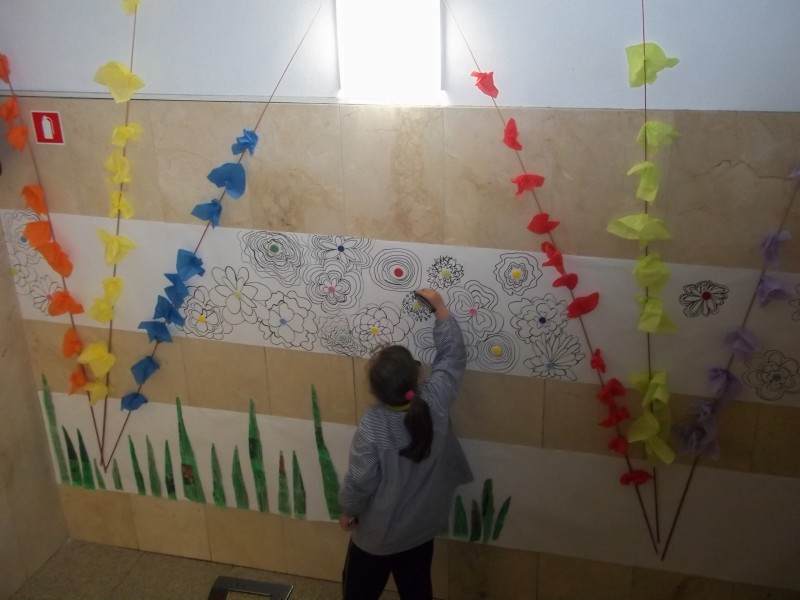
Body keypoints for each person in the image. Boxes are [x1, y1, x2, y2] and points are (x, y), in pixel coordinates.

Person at [338, 288, 473, 600]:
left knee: (359, 591)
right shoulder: (436, 399)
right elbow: (452, 357)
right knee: (417, 589)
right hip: (420, 530)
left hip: (378, 536)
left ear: (377, 392)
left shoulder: (373, 423)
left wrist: (348, 510)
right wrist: (440, 308)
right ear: (418, 376)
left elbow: (360, 479)